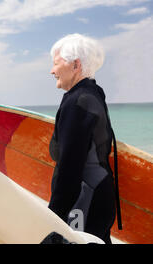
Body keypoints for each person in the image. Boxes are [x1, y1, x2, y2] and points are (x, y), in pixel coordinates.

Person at [48, 33, 122, 244]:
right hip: (97, 192)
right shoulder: (92, 94)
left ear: (76, 65)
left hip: (84, 199)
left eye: (55, 63)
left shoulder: (78, 102)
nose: (51, 71)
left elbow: (70, 166)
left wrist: (53, 216)